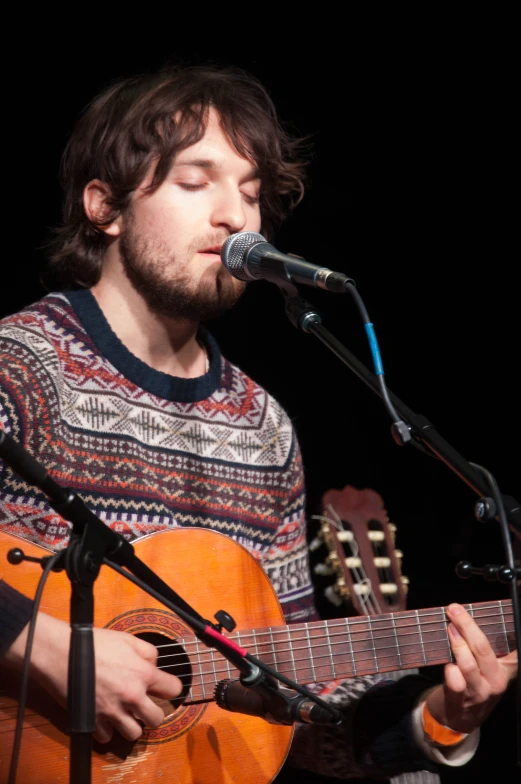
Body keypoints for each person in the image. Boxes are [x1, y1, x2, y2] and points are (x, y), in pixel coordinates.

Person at [0, 64, 516, 782]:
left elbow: (296, 706)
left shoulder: (261, 426)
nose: (236, 217)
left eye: (250, 194)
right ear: (104, 207)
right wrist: (41, 646)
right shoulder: (21, 363)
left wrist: (439, 718)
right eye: (195, 182)